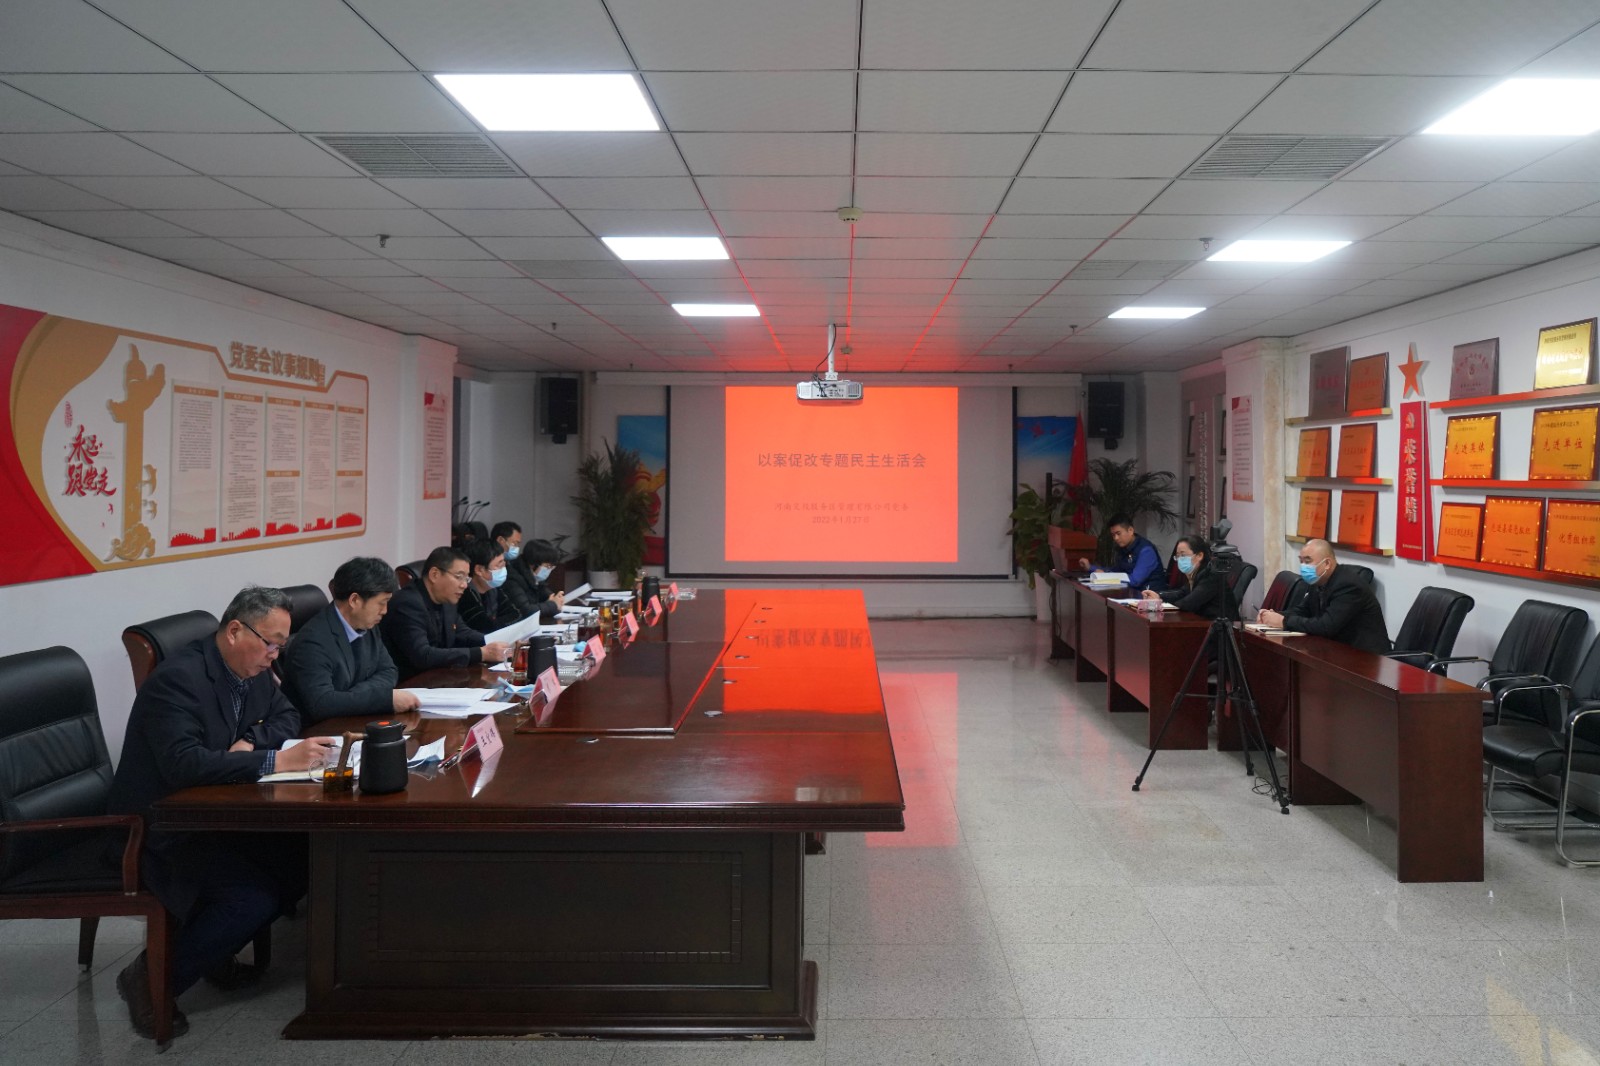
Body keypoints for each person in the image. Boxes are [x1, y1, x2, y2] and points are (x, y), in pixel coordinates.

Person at [107, 586, 338, 1039]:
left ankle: (211, 950)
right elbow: (183, 764)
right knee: (250, 899)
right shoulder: (177, 680)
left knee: (305, 861)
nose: (275, 655)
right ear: (235, 631)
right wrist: (274, 760)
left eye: (280, 646)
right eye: (271, 643)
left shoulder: (250, 668)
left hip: (214, 814)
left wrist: (250, 743)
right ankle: (152, 978)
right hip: (158, 828)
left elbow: (287, 715)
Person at [279, 556, 420, 722]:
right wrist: (385, 700)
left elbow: (388, 671)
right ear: (354, 600)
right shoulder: (312, 642)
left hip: (354, 719)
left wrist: (350, 696)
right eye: (381, 603)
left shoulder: (368, 625)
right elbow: (322, 703)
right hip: (318, 730)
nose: (385, 611)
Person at [380, 546, 512, 681]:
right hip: (407, 684)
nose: (464, 585)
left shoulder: (447, 599)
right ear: (434, 575)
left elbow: (463, 633)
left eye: (466, 579)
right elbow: (423, 655)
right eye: (459, 577)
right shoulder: (407, 603)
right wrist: (481, 654)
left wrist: (502, 643)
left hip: (438, 679)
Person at [1256, 539, 1392, 654]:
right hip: (1337, 651)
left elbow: (1326, 626)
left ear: (1327, 564)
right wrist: (1273, 616)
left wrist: (1284, 622)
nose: (1303, 566)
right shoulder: (1318, 580)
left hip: (1365, 658)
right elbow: (1303, 610)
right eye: (1301, 561)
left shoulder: (1348, 585)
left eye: (1308, 561)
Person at [1141, 533, 1235, 620]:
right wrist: (1159, 596)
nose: (1180, 559)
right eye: (1178, 556)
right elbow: (1182, 593)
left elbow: (1188, 603)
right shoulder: (1195, 573)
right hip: (1201, 622)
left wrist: (1160, 604)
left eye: (1183, 555)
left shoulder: (1211, 576)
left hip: (1220, 627)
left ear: (1199, 555)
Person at [1076, 514, 1168, 592]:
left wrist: (1107, 577)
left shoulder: (1146, 551)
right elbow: (1115, 571)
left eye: (1118, 533)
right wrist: (1090, 567)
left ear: (1130, 530)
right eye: (1113, 535)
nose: (1115, 538)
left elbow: (1135, 581)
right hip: (1132, 594)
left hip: (1151, 598)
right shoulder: (1124, 548)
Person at [459, 540, 523, 634]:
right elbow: (485, 628)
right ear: (479, 570)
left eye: (504, 563)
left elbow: (516, 615)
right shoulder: (465, 594)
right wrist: (497, 623)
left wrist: (495, 622)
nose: (504, 568)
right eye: (499, 564)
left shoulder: (492, 588)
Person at [503, 534, 565, 620]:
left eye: (551, 567)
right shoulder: (512, 578)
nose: (549, 570)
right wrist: (553, 605)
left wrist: (552, 597)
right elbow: (525, 611)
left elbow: (542, 591)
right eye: (547, 566)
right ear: (533, 564)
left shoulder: (533, 576)